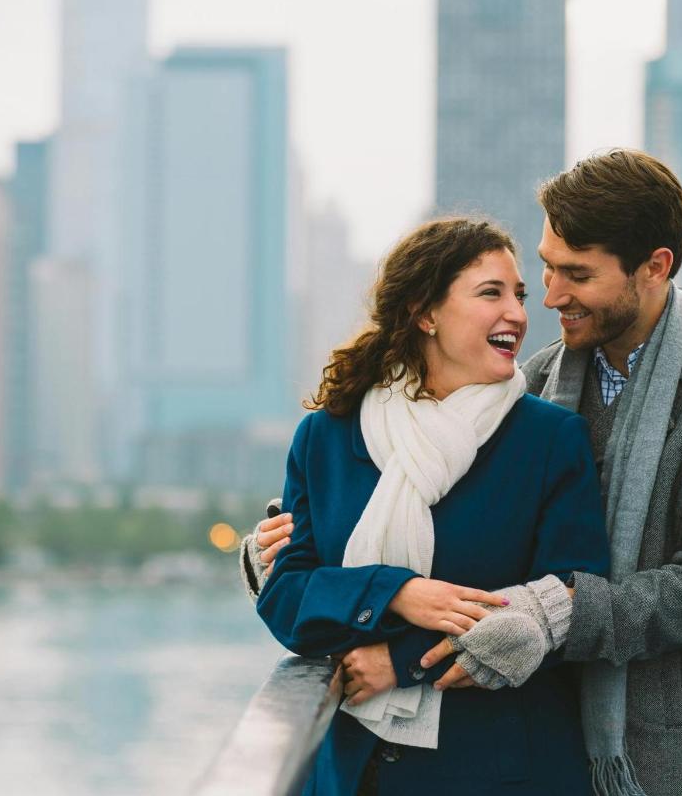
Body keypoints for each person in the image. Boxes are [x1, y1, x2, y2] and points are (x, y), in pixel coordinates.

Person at [247, 150, 682, 796]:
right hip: (537, 734)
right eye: (546, 268)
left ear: (654, 267)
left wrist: (550, 612)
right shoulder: (532, 380)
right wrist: (292, 550)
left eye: (577, 274)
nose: (549, 296)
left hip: (668, 760)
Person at [254, 217, 611, 795]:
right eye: (491, 293)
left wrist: (402, 659)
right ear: (425, 313)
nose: (518, 314)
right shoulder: (328, 435)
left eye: (519, 296)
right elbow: (286, 595)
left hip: (500, 771)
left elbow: (571, 600)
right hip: (355, 772)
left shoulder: (549, 439)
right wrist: (396, 593)